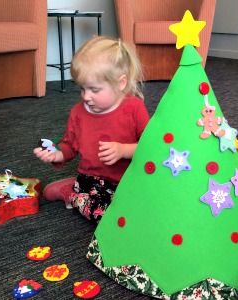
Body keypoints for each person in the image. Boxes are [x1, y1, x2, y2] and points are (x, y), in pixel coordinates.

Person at [33, 36, 150, 224]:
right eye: (82, 88)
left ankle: (75, 190)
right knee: (108, 218)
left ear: (121, 83)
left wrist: (123, 150)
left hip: (130, 181)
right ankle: (70, 192)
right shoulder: (78, 113)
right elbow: (70, 146)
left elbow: (152, 147)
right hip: (93, 181)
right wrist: (56, 154)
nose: (86, 97)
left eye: (94, 90)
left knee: (151, 208)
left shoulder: (134, 108)